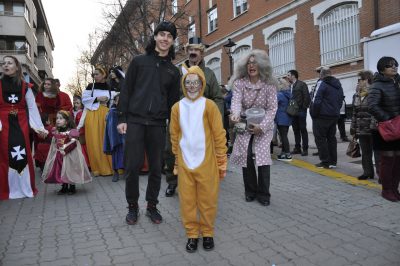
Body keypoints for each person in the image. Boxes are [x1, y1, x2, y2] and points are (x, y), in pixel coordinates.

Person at [117, 21, 180, 225]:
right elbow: (126, 91)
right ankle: (132, 208)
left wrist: (176, 127)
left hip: (158, 124)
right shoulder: (138, 62)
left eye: (169, 36)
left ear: (172, 41)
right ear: (155, 37)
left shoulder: (173, 70)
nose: (164, 39)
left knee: (155, 168)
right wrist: (122, 118)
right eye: (161, 34)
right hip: (135, 120)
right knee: (132, 167)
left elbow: (173, 104)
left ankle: (151, 206)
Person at [170, 66, 227, 253]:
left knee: (208, 199)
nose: (192, 86)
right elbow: (174, 135)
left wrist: (221, 161)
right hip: (186, 163)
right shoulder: (176, 108)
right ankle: (192, 235)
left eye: (196, 82)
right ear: (183, 84)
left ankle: (208, 233)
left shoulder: (209, 105)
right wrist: (177, 160)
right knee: (187, 201)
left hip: (207, 163)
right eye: (188, 82)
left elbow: (219, 134)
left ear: (202, 83)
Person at [165, 36, 224, 197]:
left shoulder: (209, 74)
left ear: (202, 53)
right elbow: (169, 97)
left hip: (202, 122)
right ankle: (172, 181)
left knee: (201, 152)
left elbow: (218, 98)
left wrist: (215, 120)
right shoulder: (177, 72)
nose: (193, 52)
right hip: (181, 120)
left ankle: (200, 182)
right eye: (190, 49)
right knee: (172, 151)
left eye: (196, 50)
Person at [230, 49, 278, 206]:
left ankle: (264, 194)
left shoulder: (269, 85)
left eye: (255, 62)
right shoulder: (239, 83)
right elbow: (236, 101)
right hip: (244, 123)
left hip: (263, 124)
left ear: (262, 65)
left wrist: (262, 127)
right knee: (246, 157)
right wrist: (235, 115)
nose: (251, 66)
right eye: (249, 63)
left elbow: (272, 108)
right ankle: (250, 191)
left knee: (263, 158)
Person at [0, 55, 48, 200]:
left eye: (9, 63)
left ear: (17, 67)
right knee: (4, 154)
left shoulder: (25, 86)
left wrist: (39, 127)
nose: (5, 65)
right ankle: (7, 189)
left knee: (22, 152)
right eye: (4, 63)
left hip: (21, 123)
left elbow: (32, 108)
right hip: (3, 123)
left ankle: (24, 187)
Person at [368, 56, 400, 202]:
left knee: (398, 160)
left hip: (398, 126)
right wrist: (388, 119)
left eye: (395, 65)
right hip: (384, 128)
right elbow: (372, 106)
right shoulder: (377, 85)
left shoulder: (398, 82)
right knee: (388, 159)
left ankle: (394, 189)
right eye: (389, 65)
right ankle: (386, 190)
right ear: (382, 69)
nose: (393, 67)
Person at [42, 110, 92, 195]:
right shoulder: (56, 131)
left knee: (71, 169)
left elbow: (74, 143)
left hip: (70, 154)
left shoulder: (71, 132)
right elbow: (54, 142)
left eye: (61, 118)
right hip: (59, 155)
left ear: (66, 121)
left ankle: (72, 187)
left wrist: (65, 150)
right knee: (62, 170)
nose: (58, 120)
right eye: (57, 118)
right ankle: (64, 186)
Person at [81, 65, 116, 176]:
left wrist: (109, 101)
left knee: (107, 140)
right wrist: (97, 99)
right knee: (94, 141)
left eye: (97, 74)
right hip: (92, 116)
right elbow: (84, 99)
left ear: (103, 75)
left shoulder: (110, 87)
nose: (95, 76)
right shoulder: (90, 86)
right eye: (94, 74)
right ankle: (99, 168)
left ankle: (111, 167)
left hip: (106, 115)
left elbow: (117, 98)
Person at [310, 67, 344, 169]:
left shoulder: (321, 83)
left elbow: (316, 100)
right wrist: (336, 111)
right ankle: (333, 161)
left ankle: (325, 161)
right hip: (334, 115)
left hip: (321, 116)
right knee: (331, 138)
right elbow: (341, 99)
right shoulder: (338, 84)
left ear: (321, 75)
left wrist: (313, 114)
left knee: (320, 139)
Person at [350, 70, 376, 180]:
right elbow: (354, 113)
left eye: (359, 80)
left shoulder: (374, 93)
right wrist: (353, 128)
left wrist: (373, 126)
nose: (358, 82)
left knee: (378, 154)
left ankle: (382, 176)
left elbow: (376, 112)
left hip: (372, 129)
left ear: (366, 80)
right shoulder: (357, 94)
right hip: (361, 129)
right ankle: (367, 172)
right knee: (365, 152)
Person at [286, 70, 311, 156]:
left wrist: (303, 108)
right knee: (295, 130)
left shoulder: (302, 84)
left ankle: (305, 149)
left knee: (303, 130)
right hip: (293, 112)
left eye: (288, 75)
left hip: (301, 111)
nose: (287, 77)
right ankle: (297, 148)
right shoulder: (289, 86)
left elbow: (307, 96)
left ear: (293, 76)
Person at [104, 93, 124, 182]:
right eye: (119, 100)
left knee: (126, 155)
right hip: (115, 138)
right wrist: (114, 138)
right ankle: (115, 172)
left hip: (124, 137)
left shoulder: (126, 111)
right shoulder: (112, 112)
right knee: (116, 156)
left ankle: (126, 172)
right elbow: (110, 126)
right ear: (115, 102)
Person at [275, 78, 292, 161]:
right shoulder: (288, 93)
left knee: (283, 137)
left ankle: (288, 154)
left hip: (281, 118)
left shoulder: (280, 95)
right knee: (284, 136)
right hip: (287, 118)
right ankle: (283, 153)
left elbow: (273, 104)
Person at [71, 95, 89, 167]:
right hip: (75, 131)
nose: (76, 105)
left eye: (78, 103)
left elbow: (82, 123)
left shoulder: (81, 113)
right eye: (75, 103)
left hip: (81, 132)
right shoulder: (73, 112)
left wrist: (78, 131)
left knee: (82, 147)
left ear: (82, 104)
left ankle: (86, 164)